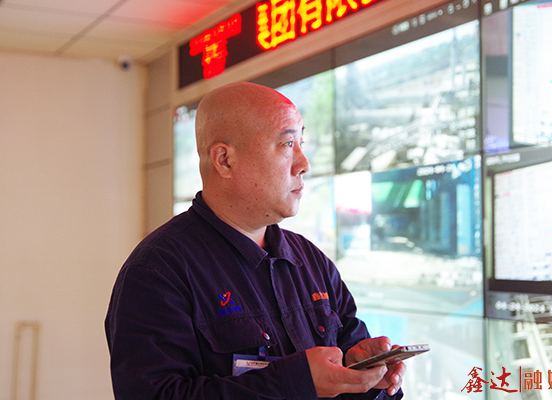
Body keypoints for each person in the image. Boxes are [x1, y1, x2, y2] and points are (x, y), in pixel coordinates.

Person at [105, 82, 406, 400]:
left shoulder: (311, 261)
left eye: (301, 143)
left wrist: (366, 377)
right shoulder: (158, 271)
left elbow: (346, 361)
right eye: (287, 144)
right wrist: (294, 382)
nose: (304, 164)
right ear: (224, 160)